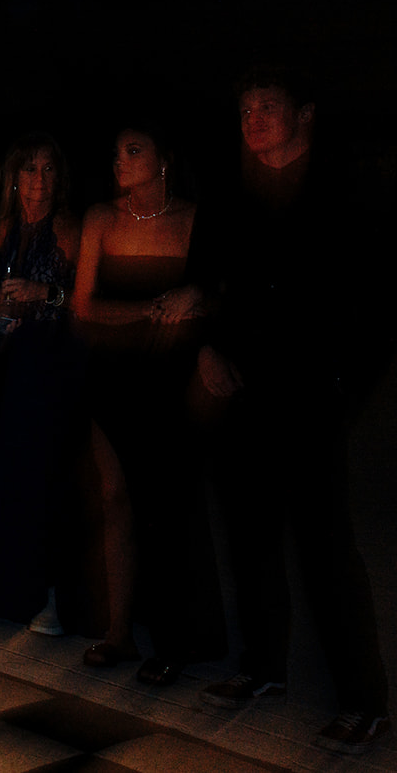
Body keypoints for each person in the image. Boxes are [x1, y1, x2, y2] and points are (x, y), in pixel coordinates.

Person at [190, 67, 390, 755]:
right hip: (243, 389)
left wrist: (342, 387)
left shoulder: (344, 193)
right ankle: (262, 665)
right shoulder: (231, 194)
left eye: (267, 106)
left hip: (310, 395)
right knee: (249, 533)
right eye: (245, 108)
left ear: (304, 113)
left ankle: (363, 699)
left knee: (325, 546)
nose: (253, 120)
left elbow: (376, 304)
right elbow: (205, 284)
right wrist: (208, 348)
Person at [71, 125, 225, 687]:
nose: (120, 160)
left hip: (169, 379)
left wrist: (195, 300)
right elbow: (83, 306)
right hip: (112, 377)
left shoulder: (193, 219)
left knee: (168, 504)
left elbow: (217, 294)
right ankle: (119, 631)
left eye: (133, 151)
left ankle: (178, 639)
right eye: (116, 152)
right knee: (114, 497)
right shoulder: (101, 218)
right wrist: (147, 310)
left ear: (164, 159)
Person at [0, 134, 86, 631]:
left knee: (42, 481)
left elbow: (83, 301)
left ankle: (54, 594)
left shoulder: (71, 228)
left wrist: (45, 294)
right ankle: (10, 595)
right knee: (1, 480)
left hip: (52, 364)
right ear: (14, 177)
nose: (38, 180)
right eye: (29, 169)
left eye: (47, 169)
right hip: (6, 364)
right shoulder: (2, 230)